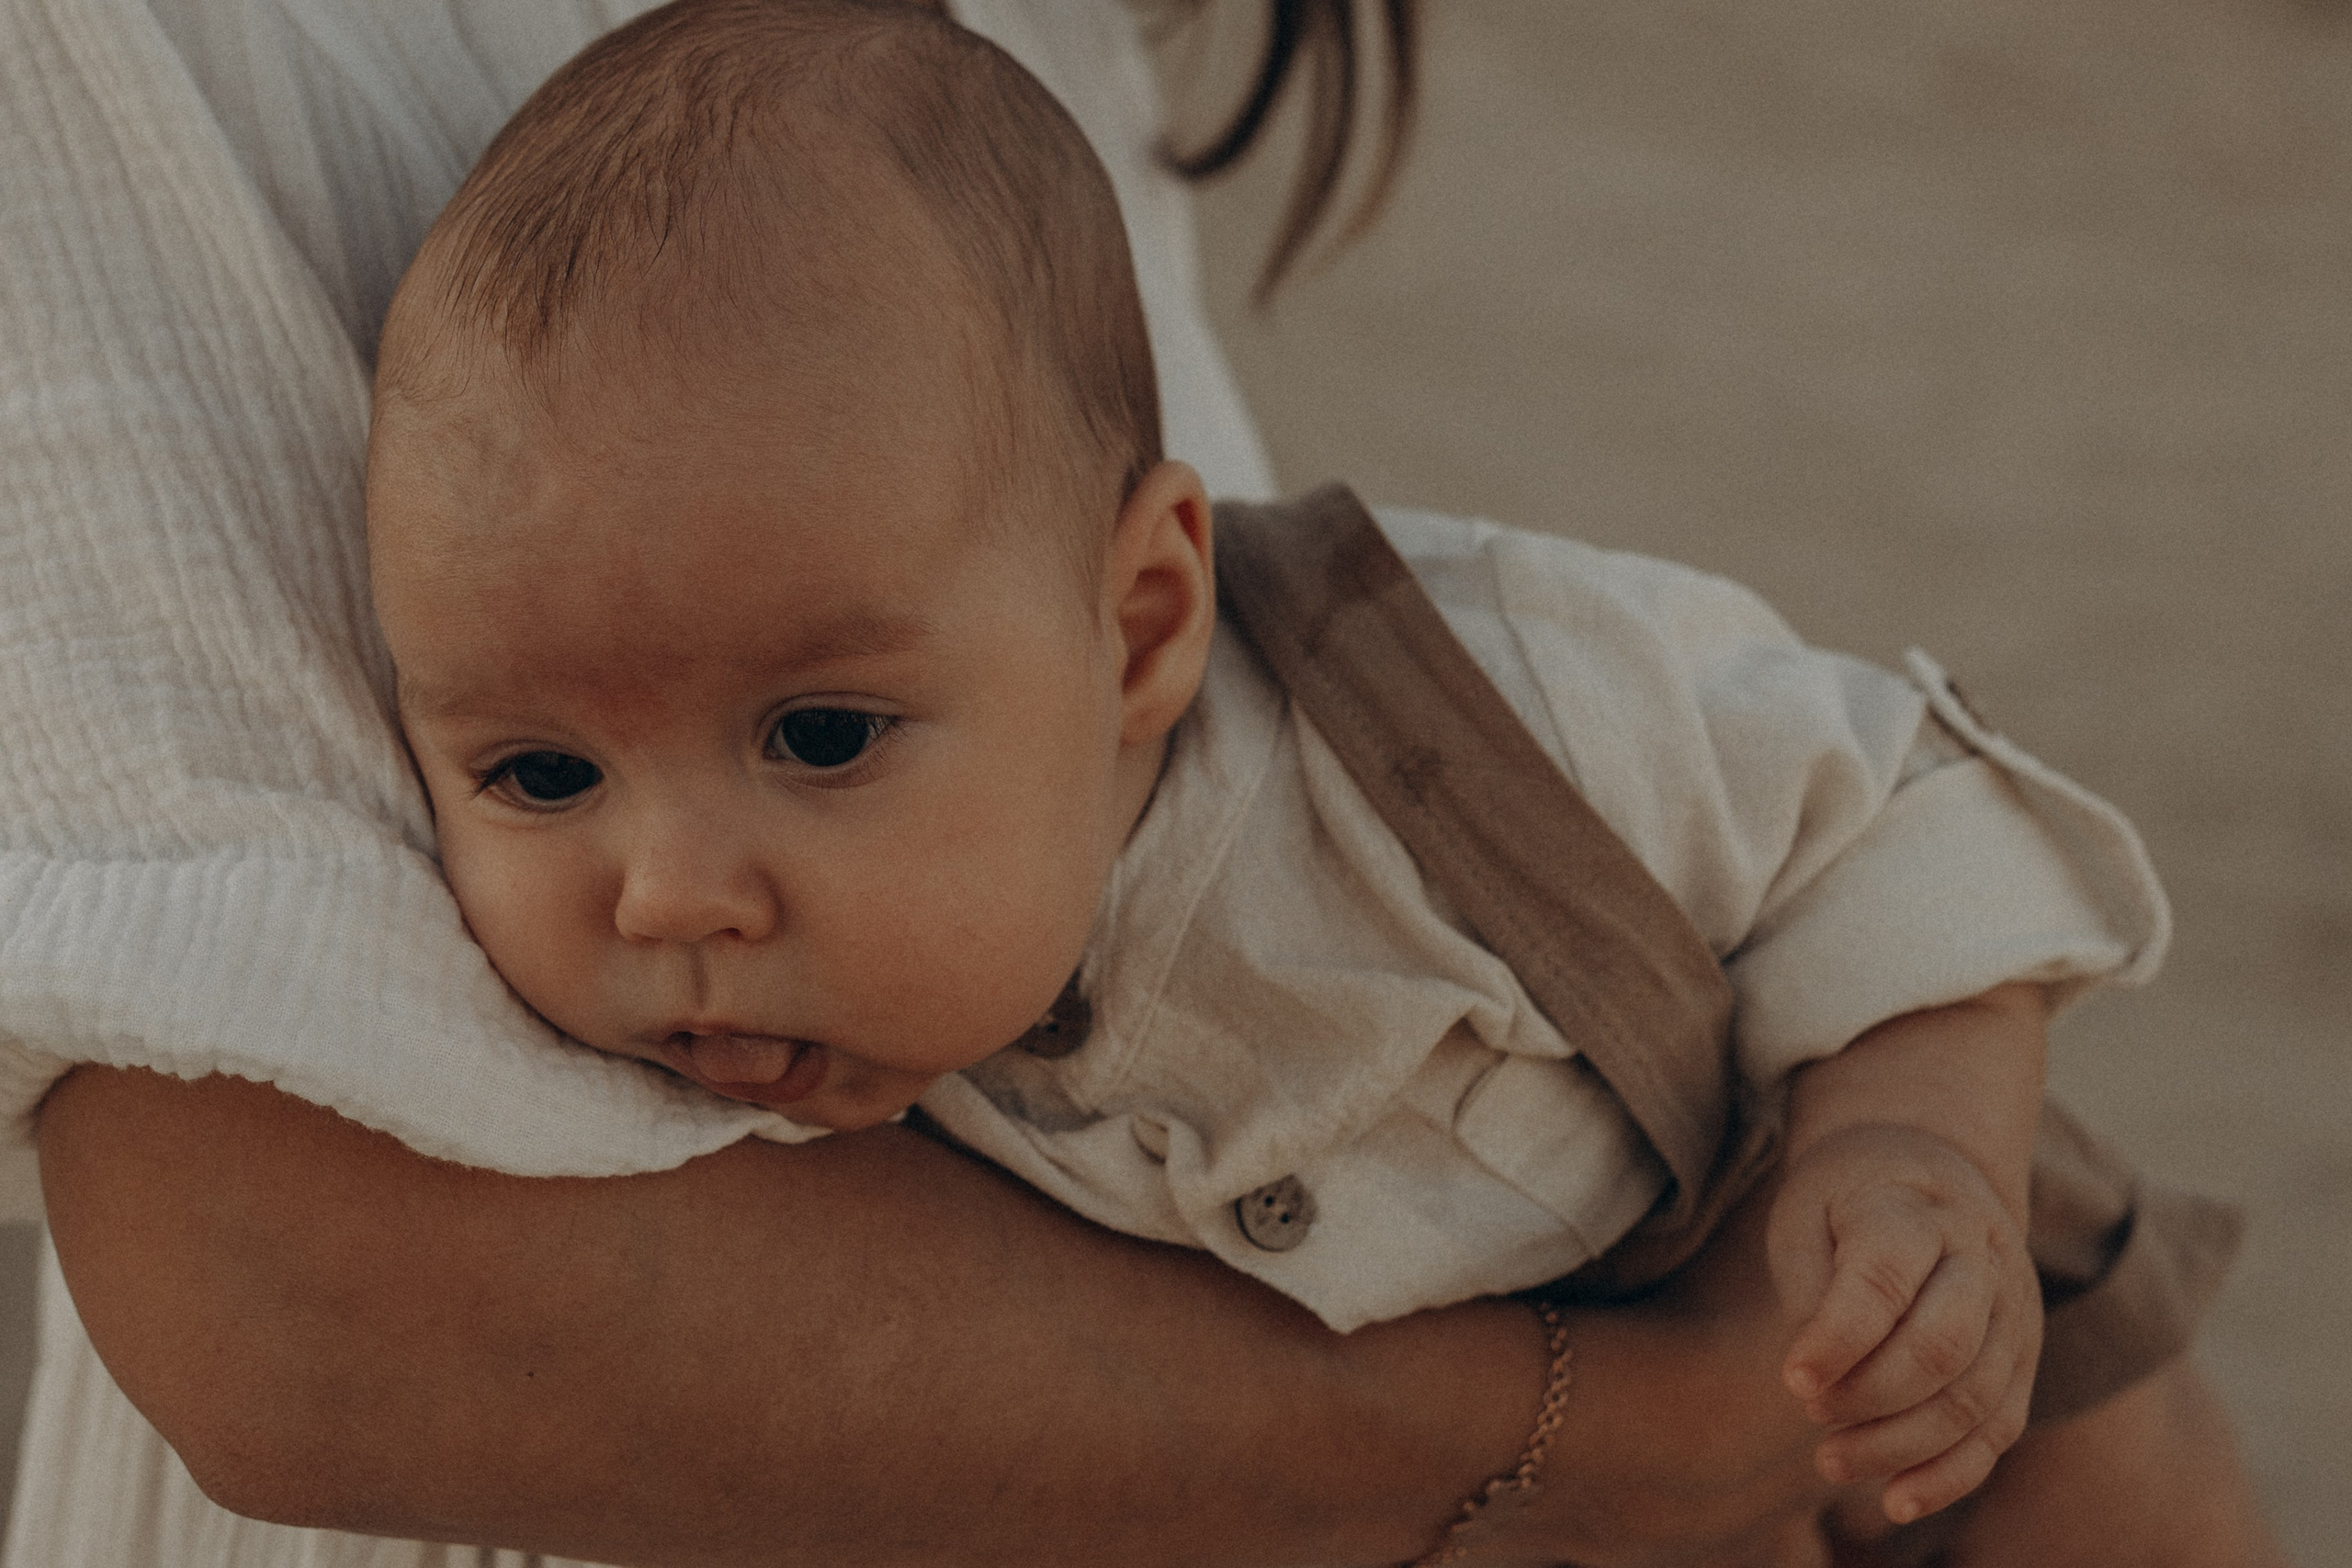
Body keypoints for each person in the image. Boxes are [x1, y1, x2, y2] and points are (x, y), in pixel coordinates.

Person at [0, 1, 2282, 1565]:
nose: (671, 885)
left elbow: (1905, 819)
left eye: (815, 738)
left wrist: (1910, 1167)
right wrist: (1598, 1444)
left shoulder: (1473, 707)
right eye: (531, 769)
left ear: (1146, 626)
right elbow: (301, 1280)